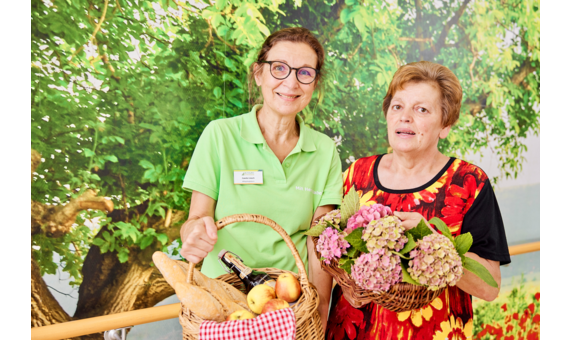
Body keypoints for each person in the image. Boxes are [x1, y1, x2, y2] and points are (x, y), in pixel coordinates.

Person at [326, 61, 511, 340]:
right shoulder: (355, 174)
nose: (405, 117)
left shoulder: (469, 183)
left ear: (445, 125)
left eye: (421, 109)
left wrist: (432, 241)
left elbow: (490, 287)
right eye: (398, 106)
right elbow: (331, 255)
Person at [179, 27, 341, 331]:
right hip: (223, 305)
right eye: (279, 68)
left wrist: (318, 312)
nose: (290, 82)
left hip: (290, 308)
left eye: (304, 72)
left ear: (314, 84)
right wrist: (193, 234)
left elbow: (320, 242)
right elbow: (196, 218)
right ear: (258, 74)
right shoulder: (220, 135)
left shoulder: (323, 151)